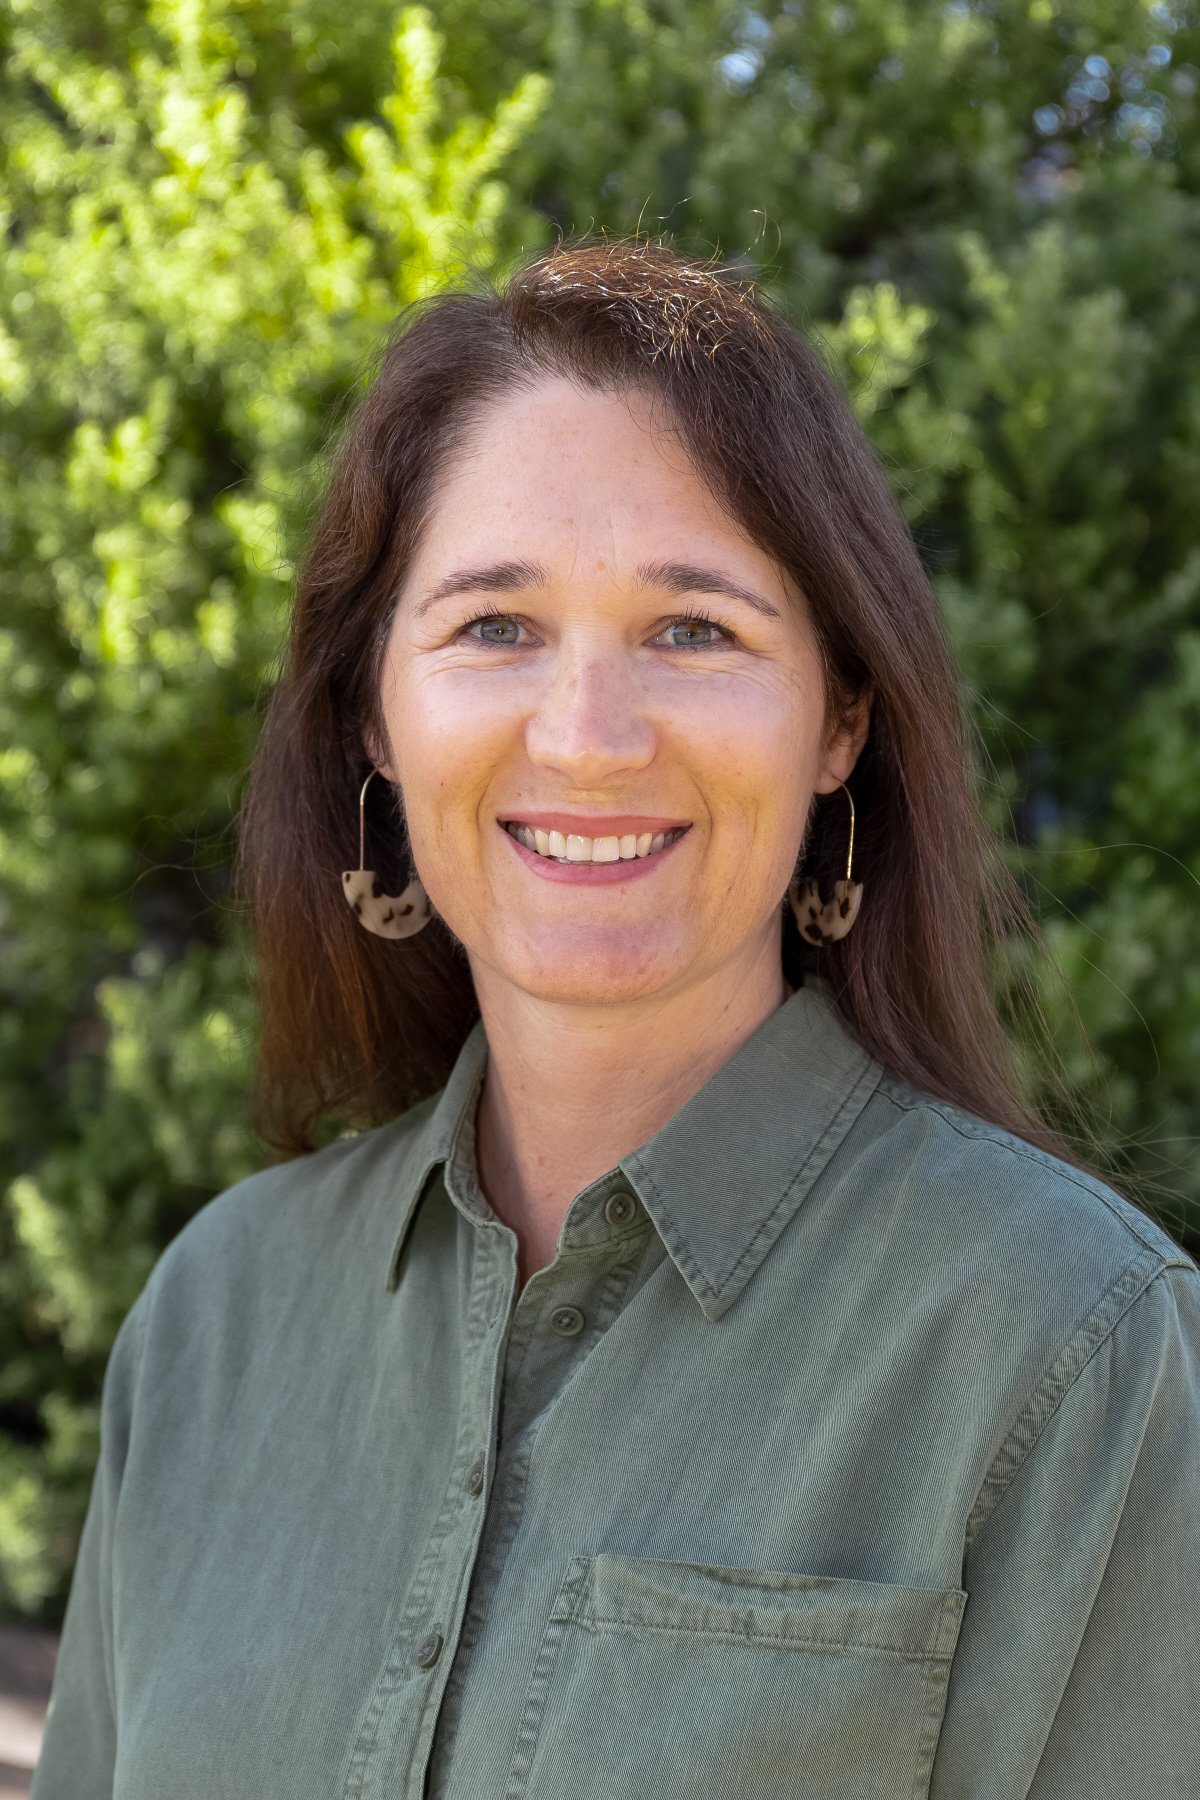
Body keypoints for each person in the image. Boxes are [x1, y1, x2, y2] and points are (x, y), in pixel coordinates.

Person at [32, 237, 1199, 1799]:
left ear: (840, 718)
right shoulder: (213, 1317)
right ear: (378, 712)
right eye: (495, 627)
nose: (586, 739)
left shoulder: (1063, 1343)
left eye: (695, 629)